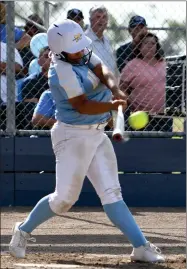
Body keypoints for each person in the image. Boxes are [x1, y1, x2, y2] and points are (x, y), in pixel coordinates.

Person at [9, 19, 165, 263]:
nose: (82, 50)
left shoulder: (80, 53)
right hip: (72, 136)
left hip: (96, 133)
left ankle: (141, 246)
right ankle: (23, 230)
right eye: (76, 48)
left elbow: (103, 71)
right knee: (64, 200)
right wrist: (111, 105)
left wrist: (116, 90)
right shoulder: (60, 70)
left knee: (112, 194)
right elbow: (81, 104)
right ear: (60, 50)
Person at [119, 33, 173, 132]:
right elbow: (121, 87)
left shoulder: (164, 64)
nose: (149, 45)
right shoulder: (132, 65)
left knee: (165, 144)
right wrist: (129, 100)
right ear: (139, 47)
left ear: (157, 47)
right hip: (141, 115)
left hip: (164, 116)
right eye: (146, 43)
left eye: (153, 43)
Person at [85, 5, 119, 78]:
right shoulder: (84, 40)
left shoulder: (107, 40)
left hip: (109, 85)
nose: (101, 20)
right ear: (91, 20)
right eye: (98, 17)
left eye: (104, 17)